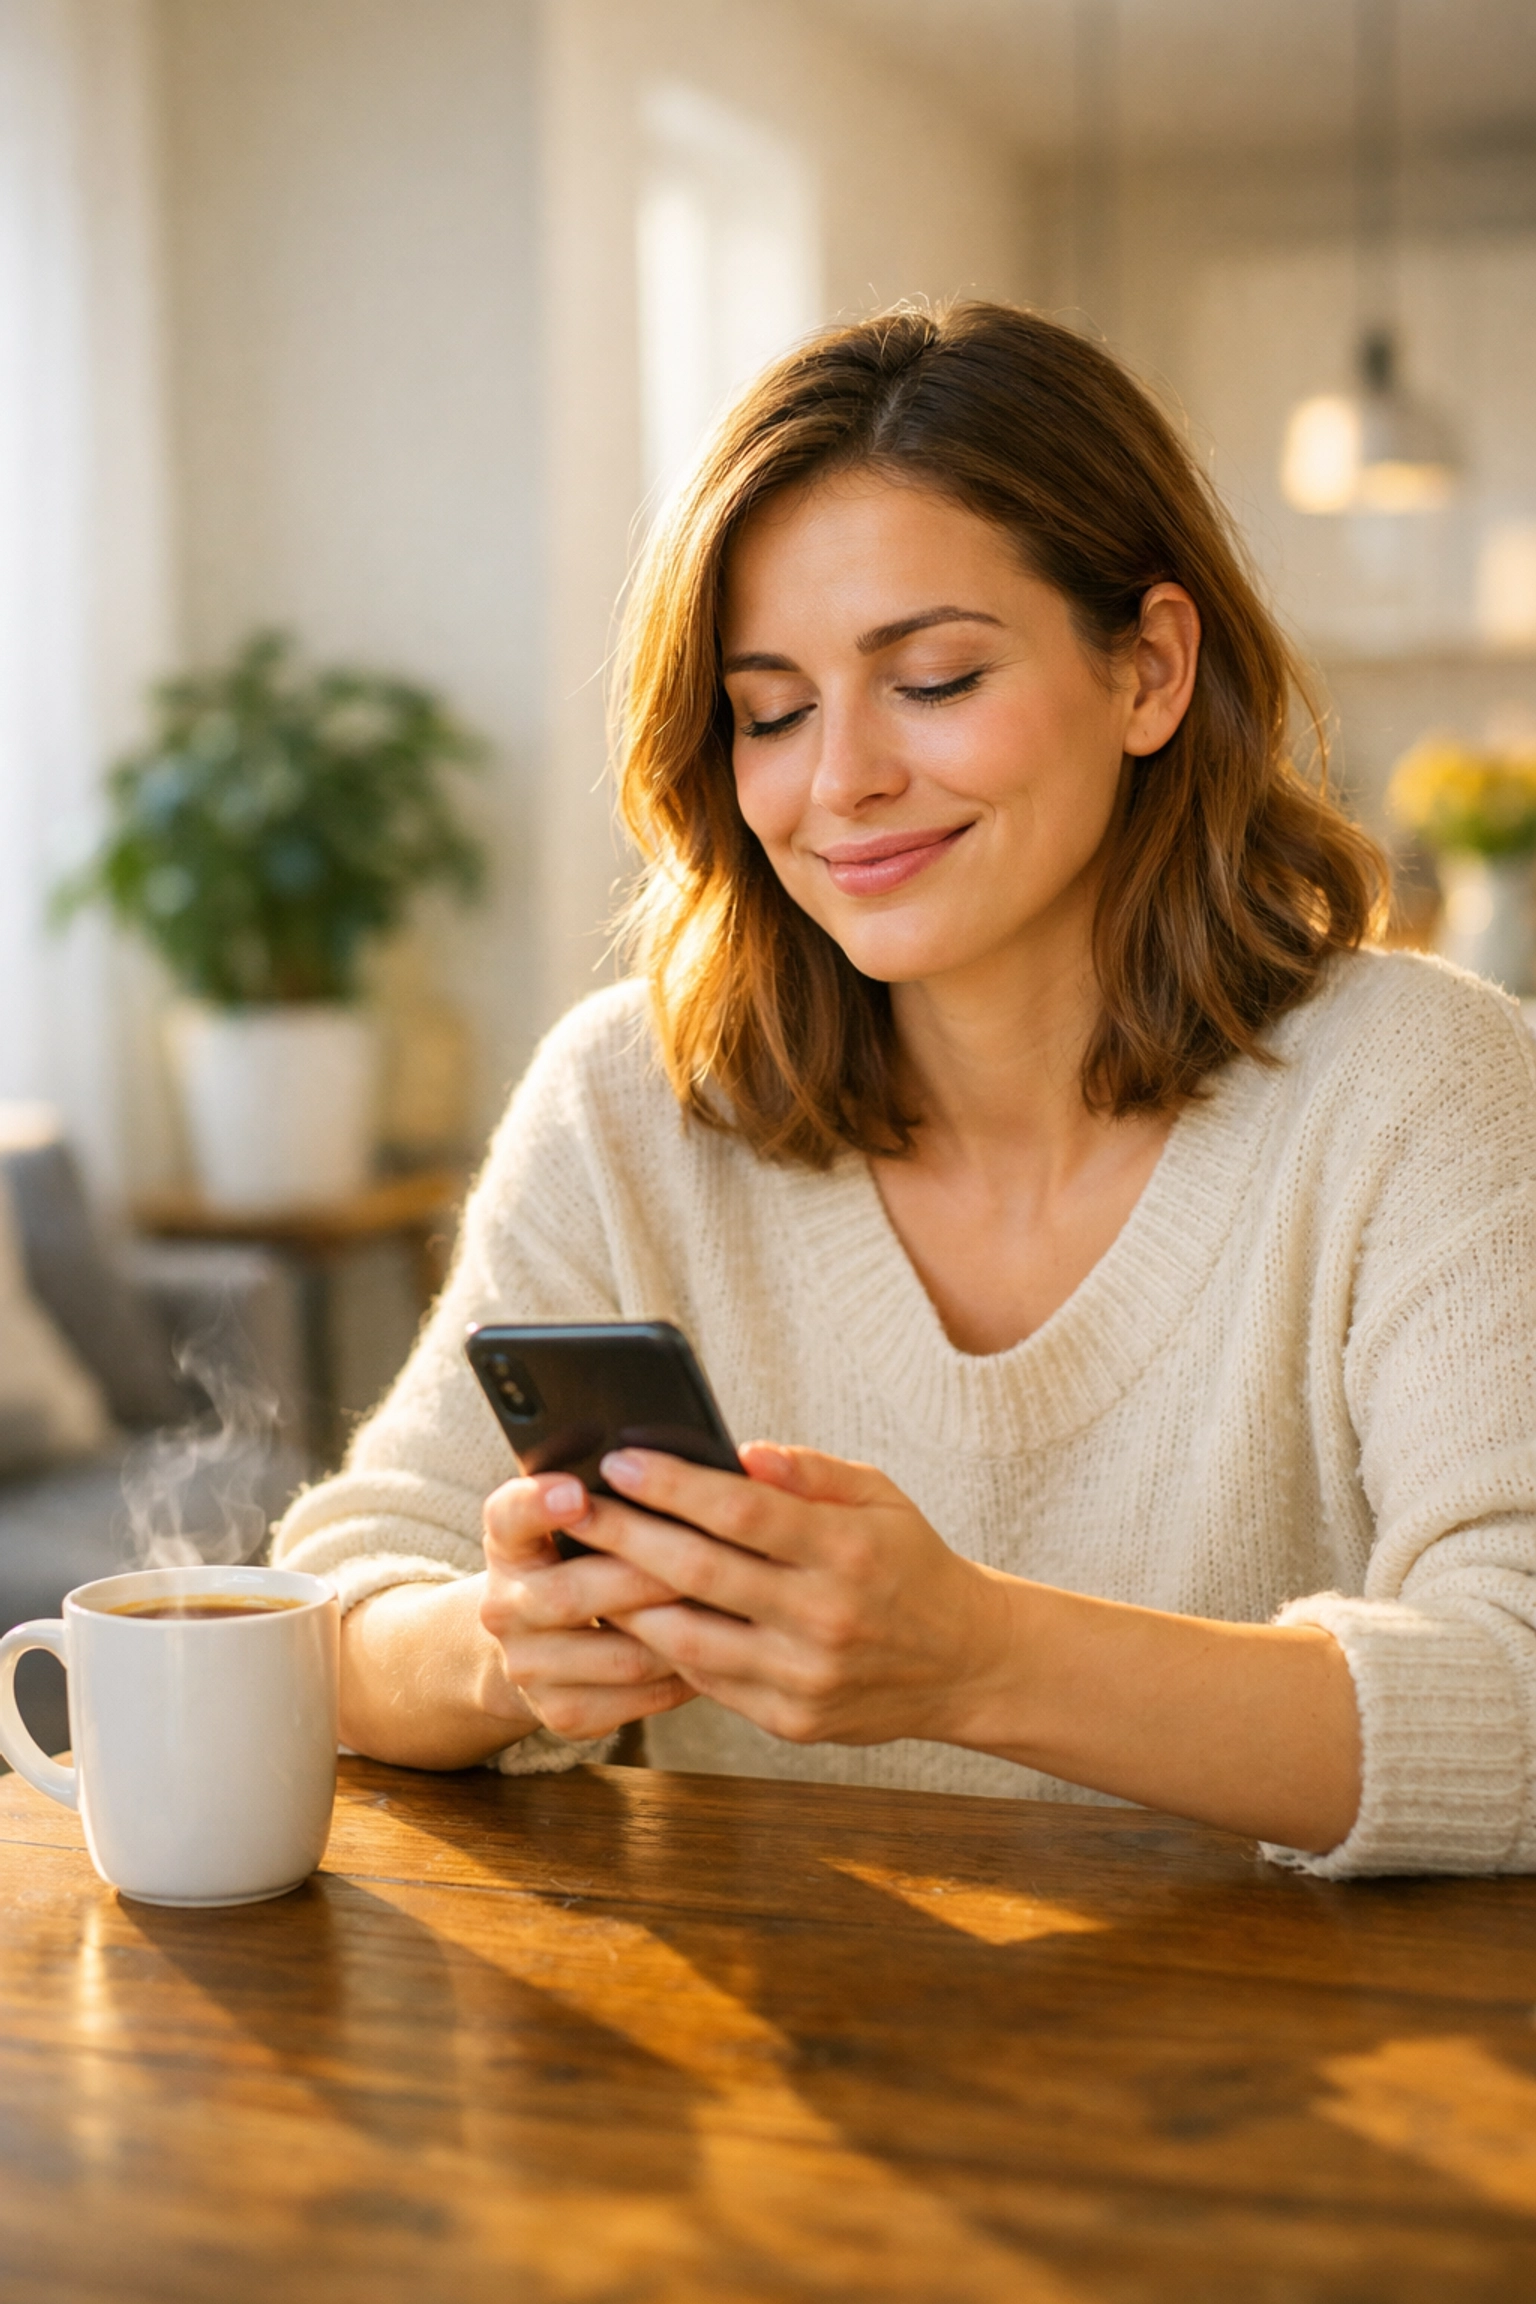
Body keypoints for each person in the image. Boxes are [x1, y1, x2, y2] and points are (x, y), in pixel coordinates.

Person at [275, 301, 1536, 1878]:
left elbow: (1519, 1687)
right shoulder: (632, 1103)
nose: (840, 780)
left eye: (933, 679)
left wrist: (979, 1661)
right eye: (771, 711)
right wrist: (506, 1645)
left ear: (1150, 671)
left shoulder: (1424, 1088)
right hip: (784, 2031)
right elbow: (333, 1611)